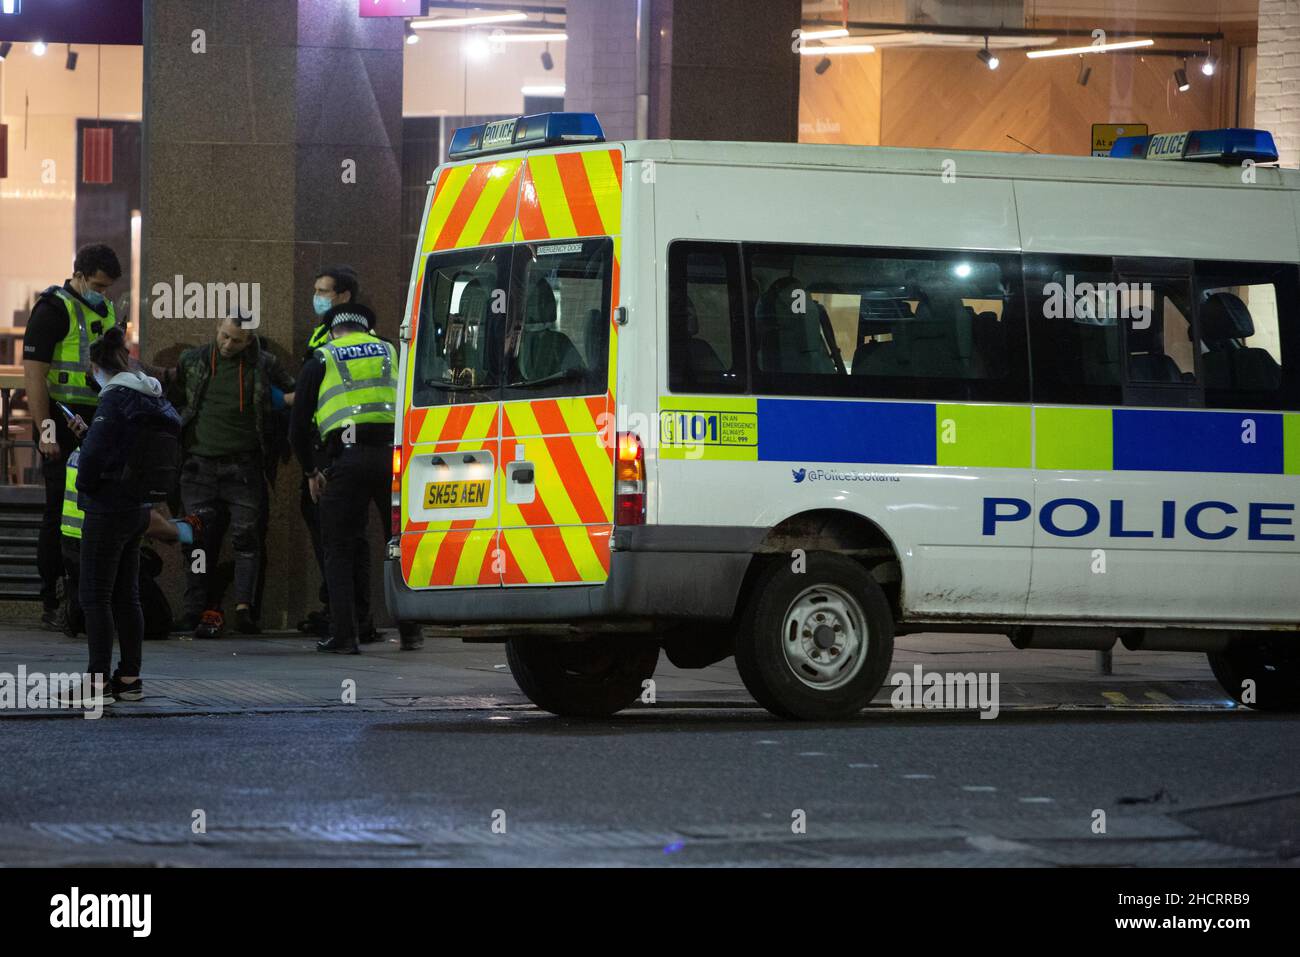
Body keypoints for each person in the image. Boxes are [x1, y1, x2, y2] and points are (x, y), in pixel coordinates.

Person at [290, 304, 422, 653]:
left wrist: (310, 471)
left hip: (346, 461)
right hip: (394, 458)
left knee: (338, 547)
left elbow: (298, 425)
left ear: (333, 330)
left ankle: (345, 636)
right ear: (368, 329)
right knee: (400, 543)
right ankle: (410, 630)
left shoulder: (323, 357)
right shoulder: (392, 350)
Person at [69, 326, 181, 704]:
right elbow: (121, 449)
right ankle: (129, 679)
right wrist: (90, 435)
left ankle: (96, 683)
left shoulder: (114, 398)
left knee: (94, 596)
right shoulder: (148, 397)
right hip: (138, 507)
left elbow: (96, 461)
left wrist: (85, 481)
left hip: (108, 507)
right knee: (126, 596)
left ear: (95, 365)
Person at [167, 316, 295, 638]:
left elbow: (295, 394)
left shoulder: (264, 365)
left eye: (236, 340)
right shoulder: (194, 360)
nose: (227, 345)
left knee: (247, 539)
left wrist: (280, 405)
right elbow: (178, 396)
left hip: (244, 468)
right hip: (199, 466)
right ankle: (194, 608)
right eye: (224, 336)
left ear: (249, 340)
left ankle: (244, 609)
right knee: (195, 541)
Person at [22, 243, 121, 630]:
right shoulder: (53, 309)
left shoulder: (108, 310)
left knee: (94, 510)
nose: (103, 292)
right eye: (97, 284)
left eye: (108, 286)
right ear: (78, 276)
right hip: (61, 421)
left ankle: (88, 593)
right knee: (57, 513)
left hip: (97, 421)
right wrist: (46, 431)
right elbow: (34, 374)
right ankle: (53, 596)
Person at [296, 266, 362, 637]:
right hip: (331, 440)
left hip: (339, 445)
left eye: (324, 291)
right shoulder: (323, 332)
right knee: (330, 529)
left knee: (340, 534)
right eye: (316, 289)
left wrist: (288, 398)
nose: (317, 297)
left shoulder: (344, 338)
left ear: (343, 297)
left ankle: (350, 619)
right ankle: (341, 610)